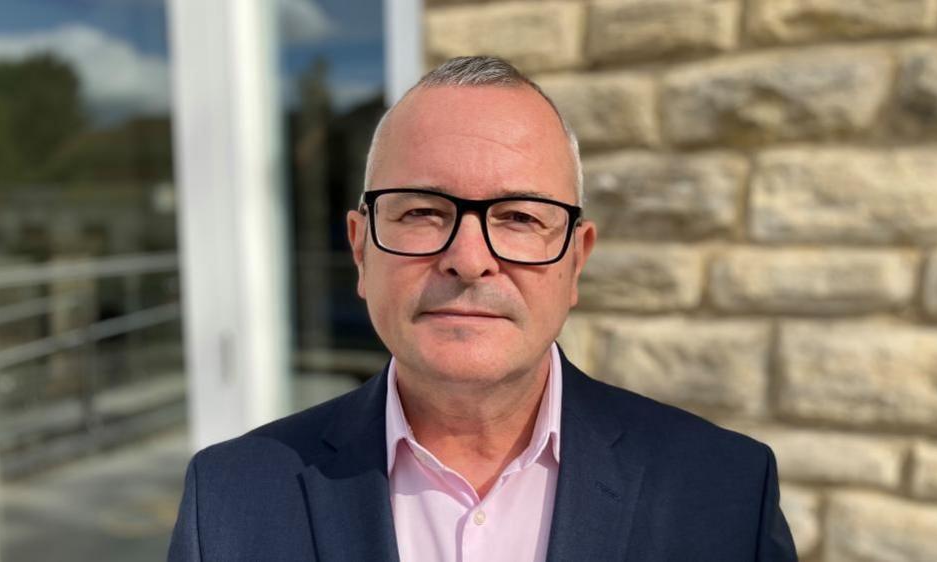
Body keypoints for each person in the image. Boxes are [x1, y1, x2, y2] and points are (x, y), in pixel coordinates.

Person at [168, 56, 797, 562]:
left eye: (519, 217)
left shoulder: (725, 492)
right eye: (421, 211)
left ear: (576, 261)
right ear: (360, 250)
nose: (469, 260)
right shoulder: (228, 499)